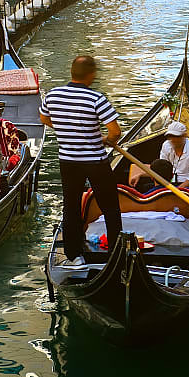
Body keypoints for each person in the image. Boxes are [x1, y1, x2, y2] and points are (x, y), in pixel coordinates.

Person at [39, 55, 122, 266]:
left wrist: (67, 131)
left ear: (72, 72)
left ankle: (73, 254)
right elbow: (115, 131)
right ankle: (115, 253)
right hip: (95, 161)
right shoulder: (96, 98)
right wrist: (107, 140)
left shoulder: (53, 95)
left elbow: (44, 118)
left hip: (68, 161)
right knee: (110, 207)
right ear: (91, 74)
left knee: (71, 206)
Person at [158, 121, 189, 189]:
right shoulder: (166, 145)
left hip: (188, 186)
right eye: (170, 136)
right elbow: (163, 168)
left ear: (184, 136)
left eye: (176, 136)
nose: (173, 139)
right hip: (170, 183)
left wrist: (176, 191)